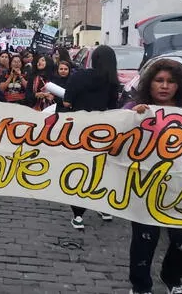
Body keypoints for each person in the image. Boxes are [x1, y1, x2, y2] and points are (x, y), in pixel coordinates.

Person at [124, 59, 182, 294]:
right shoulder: (133, 109)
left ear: (180, 86)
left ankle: (172, 276)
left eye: (171, 81)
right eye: (159, 80)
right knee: (144, 241)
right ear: (150, 83)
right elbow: (115, 142)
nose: (165, 86)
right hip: (143, 187)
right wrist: (132, 119)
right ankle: (140, 285)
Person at [63, 45, 119, 228]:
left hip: (80, 129)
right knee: (100, 169)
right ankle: (104, 208)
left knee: (80, 170)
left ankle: (78, 215)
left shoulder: (79, 76)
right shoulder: (112, 82)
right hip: (102, 130)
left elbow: (67, 101)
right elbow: (113, 107)